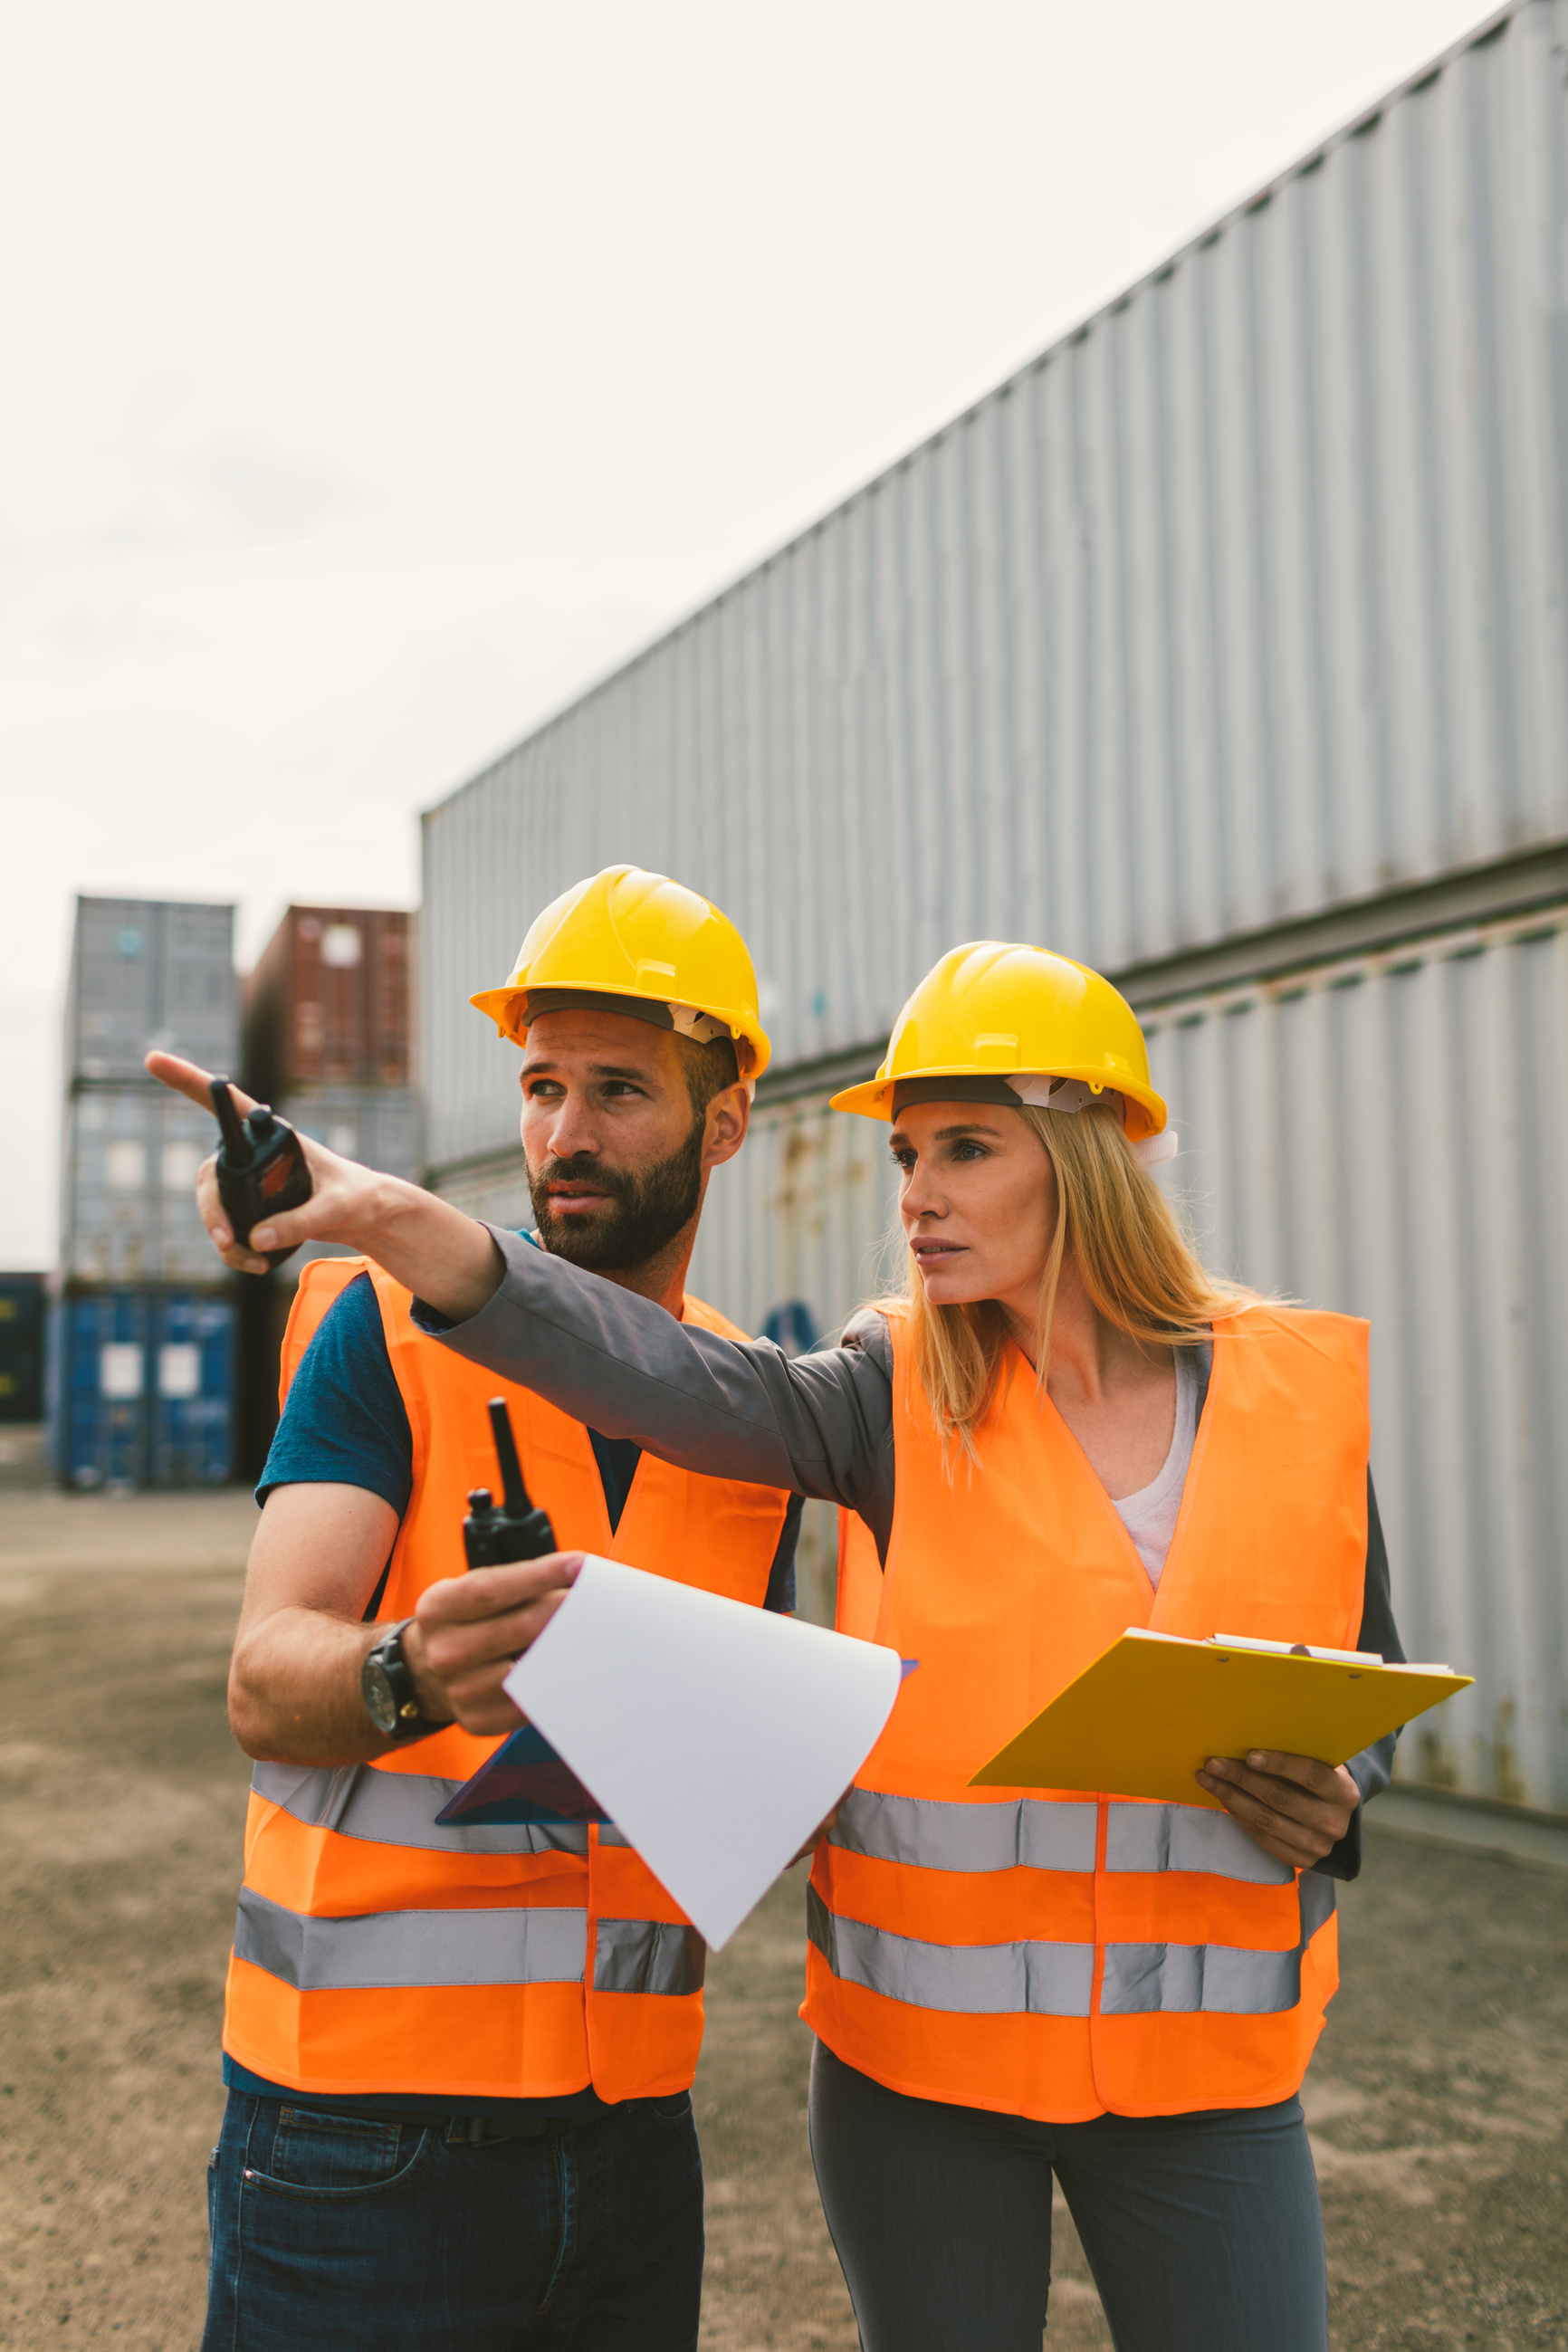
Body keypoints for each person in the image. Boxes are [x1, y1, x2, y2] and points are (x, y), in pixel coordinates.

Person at [181, 938, 1404, 2352]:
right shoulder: (887, 1387)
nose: (918, 1197)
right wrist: (396, 1221)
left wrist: (1347, 1788)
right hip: (912, 2072)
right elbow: (666, 1374)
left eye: (964, 1147)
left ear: (1085, 1157)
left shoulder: (1291, 1396)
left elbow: (1359, 1673)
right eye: (904, 1156)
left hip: (1205, 2073)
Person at [148, 865, 804, 2352]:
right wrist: (410, 1670)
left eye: (618, 1092)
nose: (563, 1135)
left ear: (724, 1121)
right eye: (542, 1085)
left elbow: (727, 1779)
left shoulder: (758, 1416)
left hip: (634, 2138)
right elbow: (264, 1676)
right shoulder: (385, 1330)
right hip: (358, 2143)